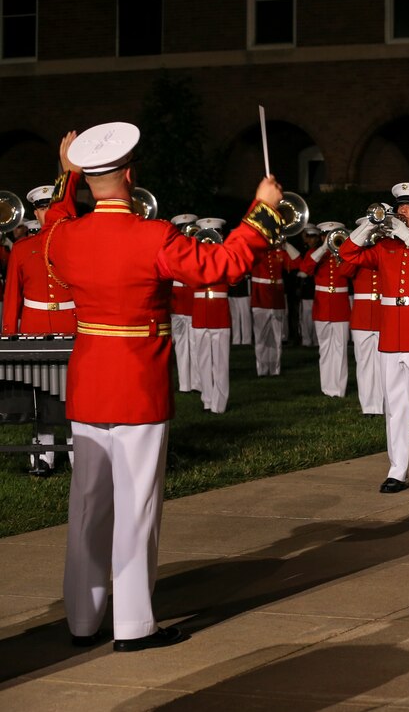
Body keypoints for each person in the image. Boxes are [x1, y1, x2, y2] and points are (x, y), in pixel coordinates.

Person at [43, 122, 283, 652]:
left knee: (86, 506)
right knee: (136, 507)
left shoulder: (65, 236)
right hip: (138, 386)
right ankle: (133, 625)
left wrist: (65, 178)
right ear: (131, 174)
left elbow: (55, 219)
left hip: (88, 383)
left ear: (90, 178)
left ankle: (82, 621)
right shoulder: (153, 237)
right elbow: (220, 267)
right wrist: (261, 210)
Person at [337, 183, 409, 494]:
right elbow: (347, 253)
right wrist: (371, 225)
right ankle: (397, 470)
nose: (402, 209)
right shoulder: (384, 248)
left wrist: (406, 235)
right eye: (399, 204)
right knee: (395, 407)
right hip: (391, 336)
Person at [3, 183, 76, 476]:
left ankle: (79, 456)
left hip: (72, 323)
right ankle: (43, 456)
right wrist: (10, 334)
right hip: (33, 324)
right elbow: (12, 297)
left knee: (73, 396)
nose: (47, 212)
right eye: (42, 207)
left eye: (51, 206)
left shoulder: (74, 243)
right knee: (40, 395)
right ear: (35, 211)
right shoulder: (21, 249)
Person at [299, 221, 351, 397]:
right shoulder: (316, 254)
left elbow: (350, 272)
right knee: (325, 349)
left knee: (340, 349)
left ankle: (339, 389)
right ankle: (328, 388)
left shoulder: (344, 254)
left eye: (331, 235)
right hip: (322, 306)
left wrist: (341, 253)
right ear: (321, 236)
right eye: (325, 235)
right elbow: (305, 268)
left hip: (340, 306)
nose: (328, 238)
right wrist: (323, 248)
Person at [340, 218, 383, 415]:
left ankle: (385, 403)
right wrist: (362, 240)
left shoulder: (387, 251)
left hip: (384, 315)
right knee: (364, 363)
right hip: (362, 317)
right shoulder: (360, 254)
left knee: (386, 364)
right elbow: (344, 270)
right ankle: (369, 406)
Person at [189, 218, 233, 413]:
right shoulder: (195, 259)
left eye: (214, 233)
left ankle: (219, 403)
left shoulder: (227, 258)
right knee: (203, 360)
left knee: (221, 362)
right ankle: (207, 399)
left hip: (219, 315)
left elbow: (234, 278)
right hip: (200, 314)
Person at [250, 231, 300, 376]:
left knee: (277, 338)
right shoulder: (256, 253)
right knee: (261, 338)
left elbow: (298, 262)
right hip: (260, 299)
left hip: (277, 300)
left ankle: (275, 369)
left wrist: (286, 244)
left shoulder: (280, 253)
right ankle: (262, 370)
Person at [168, 214, 197, 392]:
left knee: (194, 345)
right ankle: (185, 384)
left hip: (192, 302)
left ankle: (195, 383)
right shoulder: (172, 250)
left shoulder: (196, 248)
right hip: (177, 303)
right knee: (181, 346)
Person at [296, 224, 320, 347]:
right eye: (308, 237)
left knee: (315, 317)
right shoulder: (305, 250)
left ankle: (315, 340)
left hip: (315, 288)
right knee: (305, 317)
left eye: (313, 237)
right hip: (307, 290)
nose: (311, 240)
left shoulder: (319, 252)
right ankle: (306, 340)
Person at [227, 275, 252, 346]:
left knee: (245, 316)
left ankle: (246, 340)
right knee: (234, 317)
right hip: (232, 289)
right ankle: (236, 340)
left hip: (244, 288)